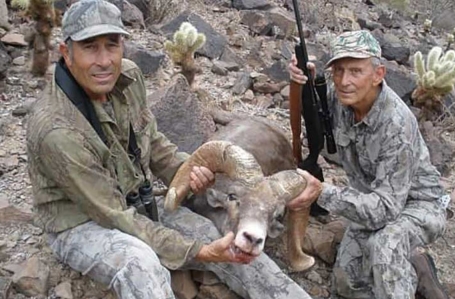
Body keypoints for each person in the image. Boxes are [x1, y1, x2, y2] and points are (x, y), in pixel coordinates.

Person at [26, 1, 313, 298]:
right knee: (140, 263)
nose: (104, 60)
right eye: (89, 47)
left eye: (111, 45)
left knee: (223, 235)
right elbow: (113, 216)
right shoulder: (57, 131)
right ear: (66, 53)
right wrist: (199, 251)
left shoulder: (128, 77)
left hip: (138, 199)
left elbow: (152, 141)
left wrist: (187, 171)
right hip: (84, 221)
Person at [288, 30, 450, 299]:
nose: (344, 81)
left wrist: (323, 192)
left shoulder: (397, 125)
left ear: (378, 74)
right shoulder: (338, 99)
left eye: (355, 71)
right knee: (345, 285)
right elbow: (309, 110)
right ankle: (415, 267)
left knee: (385, 244)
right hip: (370, 198)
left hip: (417, 205)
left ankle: (410, 269)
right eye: (338, 71)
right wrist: (300, 81)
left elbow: (387, 209)